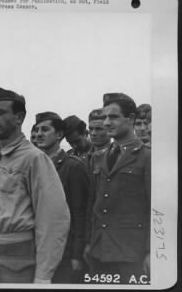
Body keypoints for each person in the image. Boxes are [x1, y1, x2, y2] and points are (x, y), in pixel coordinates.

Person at [0, 87, 70, 284]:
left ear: (19, 117)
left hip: (15, 258)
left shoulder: (34, 159)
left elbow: (53, 221)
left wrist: (43, 275)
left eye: (0, 112)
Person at [85, 93, 151, 284]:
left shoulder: (147, 158)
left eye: (113, 117)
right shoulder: (98, 157)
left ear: (130, 119)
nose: (106, 123)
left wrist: (150, 251)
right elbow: (93, 205)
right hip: (99, 251)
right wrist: (88, 243)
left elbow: (155, 209)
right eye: (104, 117)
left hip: (131, 253)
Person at [35, 111, 89, 283]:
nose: (38, 134)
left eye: (45, 129)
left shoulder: (73, 167)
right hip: (37, 249)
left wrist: (76, 255)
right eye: (37, 130)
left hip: (65, 253)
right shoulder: (33, 166)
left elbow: (80, 215)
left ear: (59, 135)